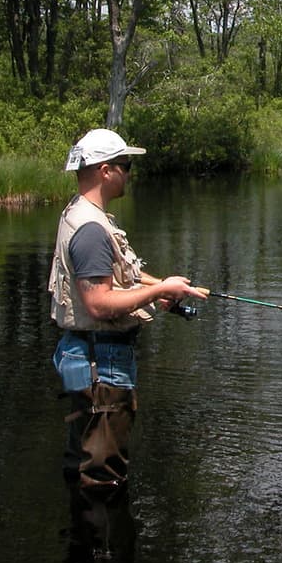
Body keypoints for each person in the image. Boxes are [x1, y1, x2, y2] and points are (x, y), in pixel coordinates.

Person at [49, 128, 207, 489]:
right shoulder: (90, 228)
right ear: (106, 171)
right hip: (101, 367)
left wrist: (161, 287)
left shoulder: (82, 213)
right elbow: (99, 303)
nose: (130, 173)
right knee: (103, 478)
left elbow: (118, 275)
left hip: (90, 358)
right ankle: (100, 544)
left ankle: (87, 540)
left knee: (86, 465)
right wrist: (159, 291)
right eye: (126, 165)